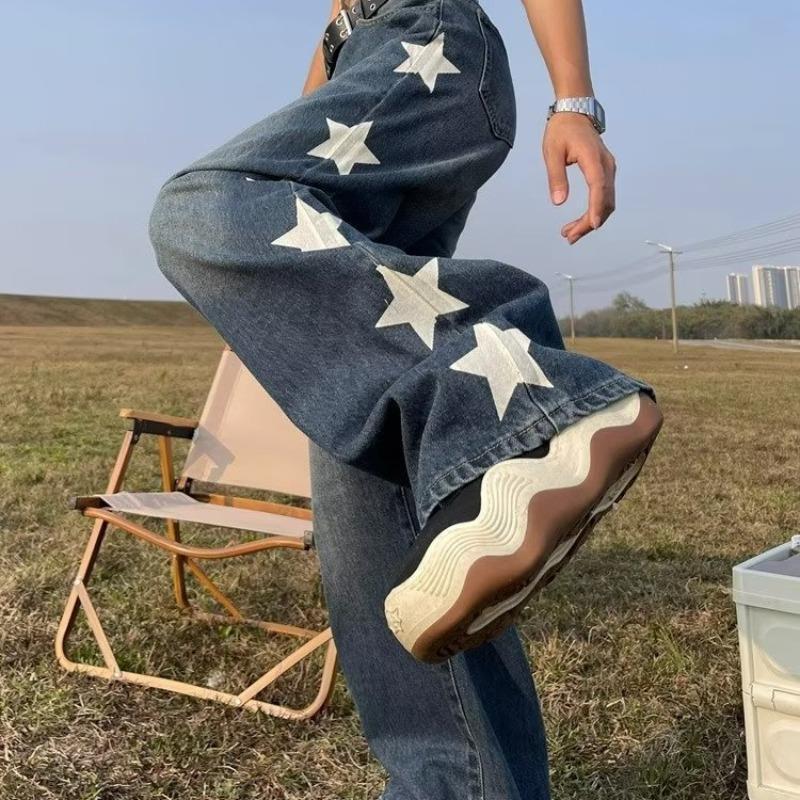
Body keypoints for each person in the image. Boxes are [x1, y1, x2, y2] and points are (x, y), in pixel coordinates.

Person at [148, 1, 663, 796]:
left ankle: (534, 406)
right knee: (382, 511)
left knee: (205, 205)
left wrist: (574, 102)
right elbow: (338, 20)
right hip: (366, 58)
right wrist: (283, 290)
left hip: (429, 46)